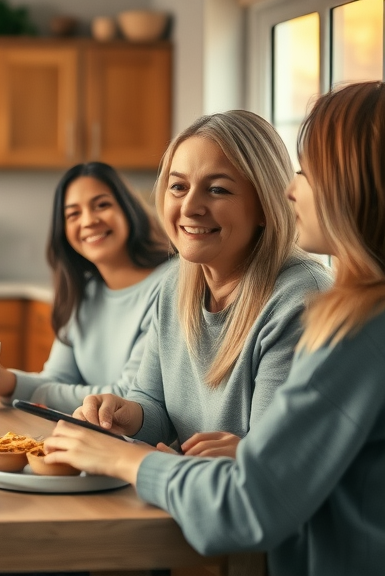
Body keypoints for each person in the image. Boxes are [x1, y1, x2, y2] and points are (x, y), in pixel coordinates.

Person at [45, 81, 385, 576]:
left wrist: (122, 460)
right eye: (178, 186)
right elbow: (167, 410)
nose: (292, 189)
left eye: (307, 174)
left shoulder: (342, 320)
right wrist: (132, 418)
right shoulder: (176, 285)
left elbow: (249, 498)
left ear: (354, 186)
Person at [61, 110, 332, 459]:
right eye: (178, 187)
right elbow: (154, 403)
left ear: (266, 204)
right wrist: (126, 414)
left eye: (217, 189)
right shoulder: (174, 282)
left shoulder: (301, 298)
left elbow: (271, 459)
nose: (189, 207)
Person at [0, 162, 173, 413]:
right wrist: (5, 382)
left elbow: (127, 398)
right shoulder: (83, 292)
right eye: (73, 214)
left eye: (102, 205)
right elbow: (57, 378)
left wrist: (33, 393)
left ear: (128, 209)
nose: (89, 221)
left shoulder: (169, 283)